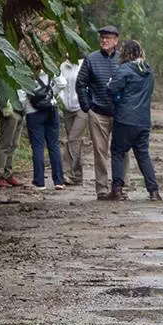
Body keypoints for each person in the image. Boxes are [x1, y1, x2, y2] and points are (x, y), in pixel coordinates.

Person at [107, 40, 161, 201]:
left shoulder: (124, 70)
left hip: (124, 118)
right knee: (143, 155)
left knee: (117, 152)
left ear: (125, 53)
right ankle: (154, 191)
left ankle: (117, 189)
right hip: (143, 120)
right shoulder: (149, 71)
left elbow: (111, 89)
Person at [75, 25, 121, 200]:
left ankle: (121, 187)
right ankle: (102, 189)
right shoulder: (91, 59)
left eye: (108, 37)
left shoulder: (123, 59)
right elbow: (80, 83)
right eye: (102, 37)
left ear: (116, 40)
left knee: (121, 151)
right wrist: (87, 106)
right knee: (100, 152)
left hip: (119, 114)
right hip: (98, 113)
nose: (104, 40)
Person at [24, 70, 65, 191]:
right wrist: (51, 95)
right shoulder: (49, 69)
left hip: (33, 113)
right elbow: (62, 83)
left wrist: (26, 107)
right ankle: (59, 181)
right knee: (54, 146)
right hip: (51, 110)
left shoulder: (25, 72)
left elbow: (21, 94)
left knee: (38, 147)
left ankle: (39, 182)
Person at [58, 54, 86, 186]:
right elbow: (59, 84)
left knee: (73, 139)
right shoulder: (63, 66)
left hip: (82, 107)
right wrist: (61, 99)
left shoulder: (84, 64)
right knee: (75, 141)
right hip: (67, 108)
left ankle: (66, 173)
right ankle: (77, 175)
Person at [0, 78, 26, 188]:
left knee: (14, 143)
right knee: (5, 143)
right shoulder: (2, 70)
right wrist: (4, 106)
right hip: (10, 109)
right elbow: (0, 88)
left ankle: (8, 174)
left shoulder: (18, 67)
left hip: (20, 109)